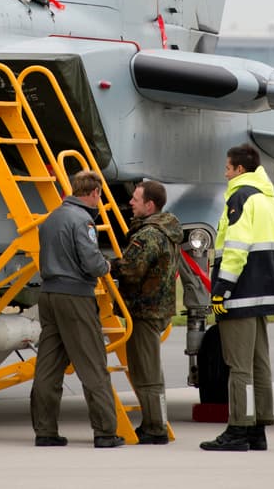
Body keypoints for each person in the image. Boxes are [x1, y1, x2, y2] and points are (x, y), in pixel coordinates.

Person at [200, 144, 274, 453]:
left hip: (238, 296)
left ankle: (238, 429)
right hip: (264, 295)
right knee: (259, 364)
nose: (225, 173)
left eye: (227, 168)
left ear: (239, 170)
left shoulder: (239, 197)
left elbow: (236, 249)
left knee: (237, 366)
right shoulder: (271, 201)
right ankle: (258, 429)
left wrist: (220, 291)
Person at [29, 169, 124, 448]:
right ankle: (106, 431)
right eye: (99, 196)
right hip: (75, 297)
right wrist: (108, 265)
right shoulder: (83, 221)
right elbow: (91, 263)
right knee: (92, 364)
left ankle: (45, 431)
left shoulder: (52, 218)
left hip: (48, 295)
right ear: (94, 193)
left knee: (48, 366)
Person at [116, 179, 181, 445]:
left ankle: (155, 427)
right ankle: (155, 423)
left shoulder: (149, 235)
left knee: (147, 372)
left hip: (145, 310)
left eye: (136, 199)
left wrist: (106, 266)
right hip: (156, 307)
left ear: (149, 204)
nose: (130, 202)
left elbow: (130, 270)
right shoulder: (166, 229)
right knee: (146, 369)